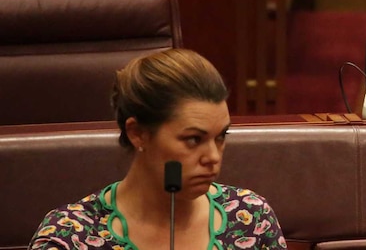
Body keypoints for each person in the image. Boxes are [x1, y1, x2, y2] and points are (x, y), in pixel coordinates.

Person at [29, 48, 288, 249]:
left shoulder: (251, 218)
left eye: (221, 137)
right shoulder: (70, 236)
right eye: (193, 140)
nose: (213, 157)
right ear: (138, 134)